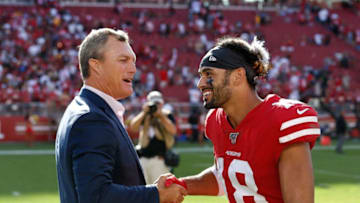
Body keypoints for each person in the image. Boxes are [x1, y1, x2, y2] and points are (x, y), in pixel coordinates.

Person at [166, 36, 321, 203]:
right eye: (201, 75)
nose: (200, 83)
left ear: (238, 76)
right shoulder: (216, 121)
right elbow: (227, 176)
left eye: (208, 74)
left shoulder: (281, 120)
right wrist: (181, 185)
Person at [55, 28, 186, 203]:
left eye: (133, 61)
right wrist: (156, 194)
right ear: (96, 65)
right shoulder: (92, 119)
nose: (133, 69)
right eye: (123, 60)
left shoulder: (86, 109)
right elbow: (96, 197)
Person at [129, 90, 177, 184]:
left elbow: (173, 130)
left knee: (160, 190)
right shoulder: (145, 115)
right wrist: (144, 112)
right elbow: (133, 127)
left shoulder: (166, 114)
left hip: (160, 159)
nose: (155, 106)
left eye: (157, 103)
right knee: (143, 189)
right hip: (143, 158)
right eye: (153, 103)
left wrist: (161, 116)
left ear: (162, 104)